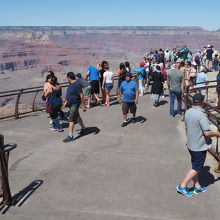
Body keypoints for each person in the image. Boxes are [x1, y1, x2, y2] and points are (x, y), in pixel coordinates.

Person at [177, 93, 220, 196]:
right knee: (196, 168)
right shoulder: (201, 115)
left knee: (195, 166)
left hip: (191, 144)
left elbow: (187, 127)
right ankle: (182, 186)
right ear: (203, 102)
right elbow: (207, 133)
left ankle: (197, 186)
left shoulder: (188, 112)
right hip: (199, 146)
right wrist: (217, 133)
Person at [63, 72, 86, 143]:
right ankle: (83, 128)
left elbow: (81, 95)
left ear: (69, 78)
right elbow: (69, 93)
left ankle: (70, 136)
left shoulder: (77, 84)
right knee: (77, 116)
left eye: (67, 78)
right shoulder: (71, 84)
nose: (67, 79)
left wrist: (83, 105)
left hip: (75, 104)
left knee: (71, 119)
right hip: (70, 104)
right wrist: (66, 101)